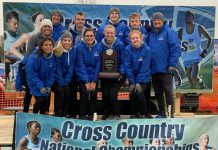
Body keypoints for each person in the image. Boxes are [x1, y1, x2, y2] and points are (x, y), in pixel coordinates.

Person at [147, 12, 181, 118]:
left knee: (168, 93)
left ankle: (170, 115)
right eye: (155, 20)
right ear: (152, 22)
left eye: (159, 20)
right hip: (154, 70)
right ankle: (161, 113)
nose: (157, 21)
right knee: (158, 93)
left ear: (163, 21)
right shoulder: (151, 34)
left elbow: (176, 49)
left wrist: (171, 64)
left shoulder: (169, 32)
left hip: (166, 69)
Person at [178, 10, 212, 89]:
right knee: (191, 82)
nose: (187, 17)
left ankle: (200, 81)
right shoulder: (181, 31)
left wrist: (206, 49)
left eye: (189, 16)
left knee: (194, 76)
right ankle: (192, 96)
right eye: (186, 16)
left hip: (196, 57)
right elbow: (180, 42)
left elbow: (209, 37)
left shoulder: (199, 27)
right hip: (186, 58)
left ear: (193, 18)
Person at [99, 25, 125, 120]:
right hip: (105, 75)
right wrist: (99, 73)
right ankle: (107, 112)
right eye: (108, 33)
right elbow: (99, 61)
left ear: (115, 34)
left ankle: (116, 113)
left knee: (112, 93)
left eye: (111, 33)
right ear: (104, 33)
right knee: (105, 94)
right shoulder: (100, 45)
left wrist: (121, 73)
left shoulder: (120, 45)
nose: (109, 35)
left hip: (117, 75)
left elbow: (123, 60)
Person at [75, 28, 101, 120]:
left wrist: (94, 81)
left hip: (94, 77)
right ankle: (82, 115)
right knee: (85, 93)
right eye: (87, 36)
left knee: (94, 93)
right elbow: (80, 65)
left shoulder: (99, 47)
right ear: (83, 37)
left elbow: (98, 65)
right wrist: (86, 81)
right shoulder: (79, 47)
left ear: (94, 36)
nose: (90, 38)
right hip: (82, 76)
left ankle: (92, 115)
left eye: (91, 36)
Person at [124, 30, 151, 119]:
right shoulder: (127, 49)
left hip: (143, 78)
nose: (135, 40)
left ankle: (144, 114)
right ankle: (134, 113)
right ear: (130, 39)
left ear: (141, 38)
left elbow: (144, 67)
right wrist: (132, 82)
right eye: (133, 38)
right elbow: (127, 66)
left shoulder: (147, 49)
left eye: (137, 38)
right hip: (132, 78)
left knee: (139, 93)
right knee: (132, 94)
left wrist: (138, 82)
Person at [25, 37, 56, 114]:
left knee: (45, 99)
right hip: (33, 82)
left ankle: (42, 119)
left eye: (50, 45)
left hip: (44, 82)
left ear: (53, 46)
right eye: (46, 45)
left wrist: (48, 85)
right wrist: (41, 86)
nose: (48, 47)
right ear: (41, 47)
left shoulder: (52, 58)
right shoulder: (35, 58)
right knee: (40, 99)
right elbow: (32, 75)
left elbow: (52, 73)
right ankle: (34, 116)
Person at [68, 12, 86, 118]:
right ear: (74, 20)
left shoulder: (88, 33)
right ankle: (72, 113)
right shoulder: (68, 32)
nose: (80, 21)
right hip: (71, 67)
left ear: (85, 21)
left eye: (82, 19)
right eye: (78, 19)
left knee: (83, 93)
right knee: (72, 92)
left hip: (82, 67)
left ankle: (83, 114)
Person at [53, 30, 76, 117]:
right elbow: (57, 68)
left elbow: (71, 68)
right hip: (56, 79)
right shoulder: (57, 51)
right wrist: (61, 82)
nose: (67, 42)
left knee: (67, 92)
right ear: (61, 41)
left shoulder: (73, 51)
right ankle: (57, 114)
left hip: (66, 80)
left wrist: (66, 81)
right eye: (65, 40)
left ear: (71, 42)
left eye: (69, 40)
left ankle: (64, 114)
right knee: (60, 91)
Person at [4, 10, 20, 86]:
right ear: (8, 23)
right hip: (6, 65)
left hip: (16, 65)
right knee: (7, 88)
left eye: (17, 24)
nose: (16, 26)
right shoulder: (4, 34)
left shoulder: (19, 37)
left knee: (14, 89)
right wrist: (6, 53)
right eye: (14, 24)